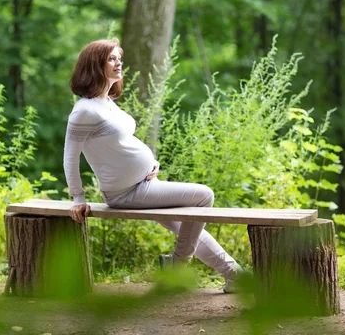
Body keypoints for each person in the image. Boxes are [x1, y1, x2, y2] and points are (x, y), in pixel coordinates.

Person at [64, 39, 242, 292]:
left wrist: (150, 162)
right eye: (112, 58)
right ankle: (177, 266)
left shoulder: (106, 103)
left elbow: (122, 143)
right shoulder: (84, 111)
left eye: (119, 58)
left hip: (145, 184)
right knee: (204, 196)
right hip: (125, 193)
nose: (119, 63)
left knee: (188, 228)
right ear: (95, 65)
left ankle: (235, 275)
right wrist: (77, 197)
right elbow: (70, 155)